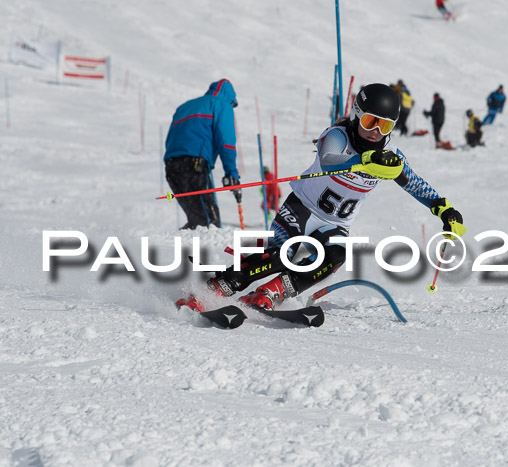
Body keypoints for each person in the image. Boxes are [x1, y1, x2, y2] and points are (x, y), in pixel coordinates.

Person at [204, 83, 466, 311]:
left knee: (335, 258)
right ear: (357, 115)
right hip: (302, 210)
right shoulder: (337, 136)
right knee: (280, 255)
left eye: (384, 125)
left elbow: (414, 184)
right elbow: (330, 161)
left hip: (335, 225)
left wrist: (443, 209)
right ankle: (218, 286)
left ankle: (272, 292)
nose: (376, 131)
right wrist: (365, 159)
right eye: (370, 122)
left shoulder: (390, 156)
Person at [164, 79, 242, 229]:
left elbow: (170, 140)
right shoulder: (221, 104)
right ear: (229, 99)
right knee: (209, 223)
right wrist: (232, 174)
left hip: (172, 168)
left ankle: (175, 247)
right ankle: (207, 251)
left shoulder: (184, 107)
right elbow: (226, 142)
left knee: (197, 220)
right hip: (194, 166)